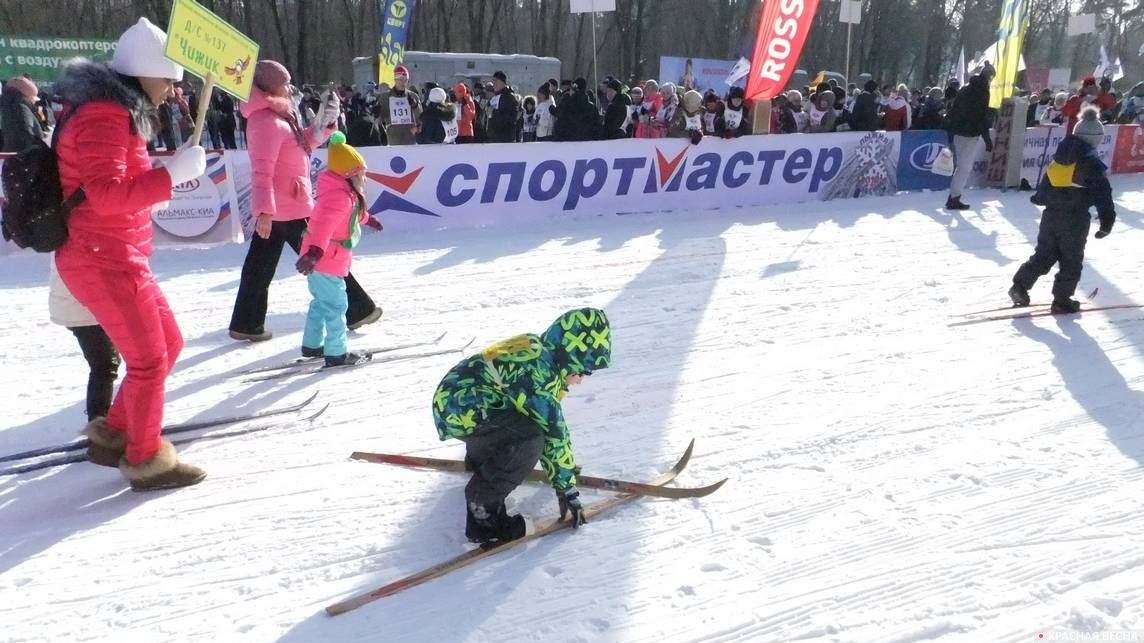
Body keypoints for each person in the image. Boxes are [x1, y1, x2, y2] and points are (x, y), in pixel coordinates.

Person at [54, 18, 207, 490]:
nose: (172, 93)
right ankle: (146, 460)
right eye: (168, 81)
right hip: (102, 256)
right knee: (147, 361)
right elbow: (105, 194)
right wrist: (170, 177)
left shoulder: (114, 110)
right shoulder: (105, 113)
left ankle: (116, 434)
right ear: (145, 72)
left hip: (118, 253)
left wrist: (167, 170)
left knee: (169, 343)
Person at [229, 60, 381, 343]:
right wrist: (263, 211)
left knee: (259, 267)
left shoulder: (280, 115)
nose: (290, 87)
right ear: (271, 86)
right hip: (287, 207)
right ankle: (358, 309)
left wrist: (321, 128)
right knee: (324, 254)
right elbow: (262, 169)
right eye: (284, 83)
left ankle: (247, 323)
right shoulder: (266, 121)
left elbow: (301, 147)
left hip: (286, 204)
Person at [431, 308, 613, 544]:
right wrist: (566, 486)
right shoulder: (538, 375)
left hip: (459, 402)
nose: (581, 380)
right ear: (571, 359)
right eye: (584, 371)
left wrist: (561, 472)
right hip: (463, 410)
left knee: (517, 426)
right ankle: (484, 514)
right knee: (531, 439)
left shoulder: (537, 351)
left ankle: (484, 464)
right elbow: (553, 432)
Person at [1009, 108, 1115, 314]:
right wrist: (1107, 222)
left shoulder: (1061, 156)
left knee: (1043, 255)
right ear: (1096, 139)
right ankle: (1062, 300)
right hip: (1075, 219)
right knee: (1071, 260)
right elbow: (1103, 194)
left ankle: (1019, 286)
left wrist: (1039, 198)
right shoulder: (1092, 163)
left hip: (1051, 215)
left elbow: (1047, 182)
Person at [295, 132, 378, 367]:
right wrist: (314, 253)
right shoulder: (340, 198)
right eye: (362, 174)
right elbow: (323, 226)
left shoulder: (345, 194)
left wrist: (368, 220)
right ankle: (336, 352)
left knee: (322, 302)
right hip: (324, 259)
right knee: (336, 305)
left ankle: (312, 344)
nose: (365, 178)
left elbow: (352, 216)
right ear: (349, 175)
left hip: (325, 258)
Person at [49, 262, 121, 444]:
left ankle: (100, 421)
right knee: (104, 365)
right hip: (83, 307)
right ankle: (99, 428)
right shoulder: (79, 234)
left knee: (107, 363)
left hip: (78, 304)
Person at [945, 65, 995, 211]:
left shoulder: (965, 88)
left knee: (961, 165)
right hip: (970, 132)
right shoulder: (982, 91)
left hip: (958, 131)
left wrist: (951, 131)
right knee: (964, 167)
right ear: (990, 77)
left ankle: (953, 196)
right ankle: (954, 197)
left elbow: (954, 110)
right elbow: (981, 115)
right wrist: (987, 138)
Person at [377, 66, 421, 146]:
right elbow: (380, 119)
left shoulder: (413, 96)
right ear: (395, 80)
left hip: (410, 137)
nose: (403, 83)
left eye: (405, 80)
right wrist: (376, 113)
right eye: (400, 80)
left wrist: (415, 106)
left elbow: (420, 116)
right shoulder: (385, 97)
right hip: (393, 137)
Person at [1, 77, 45, 152]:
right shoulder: (21, 108)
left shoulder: (5, 106)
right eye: (32, 98)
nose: (34, 102)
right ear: (26, 96)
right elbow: (27, 135)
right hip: (18, 157)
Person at [488, 71, 519, 143]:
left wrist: (494, 112)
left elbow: (512, 118)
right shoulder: (493, 97)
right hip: (493, 137)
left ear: (502, 82)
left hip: (505, 137)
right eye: (493, 81)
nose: (494, 83)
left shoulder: (509, 97)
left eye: (496, 81)